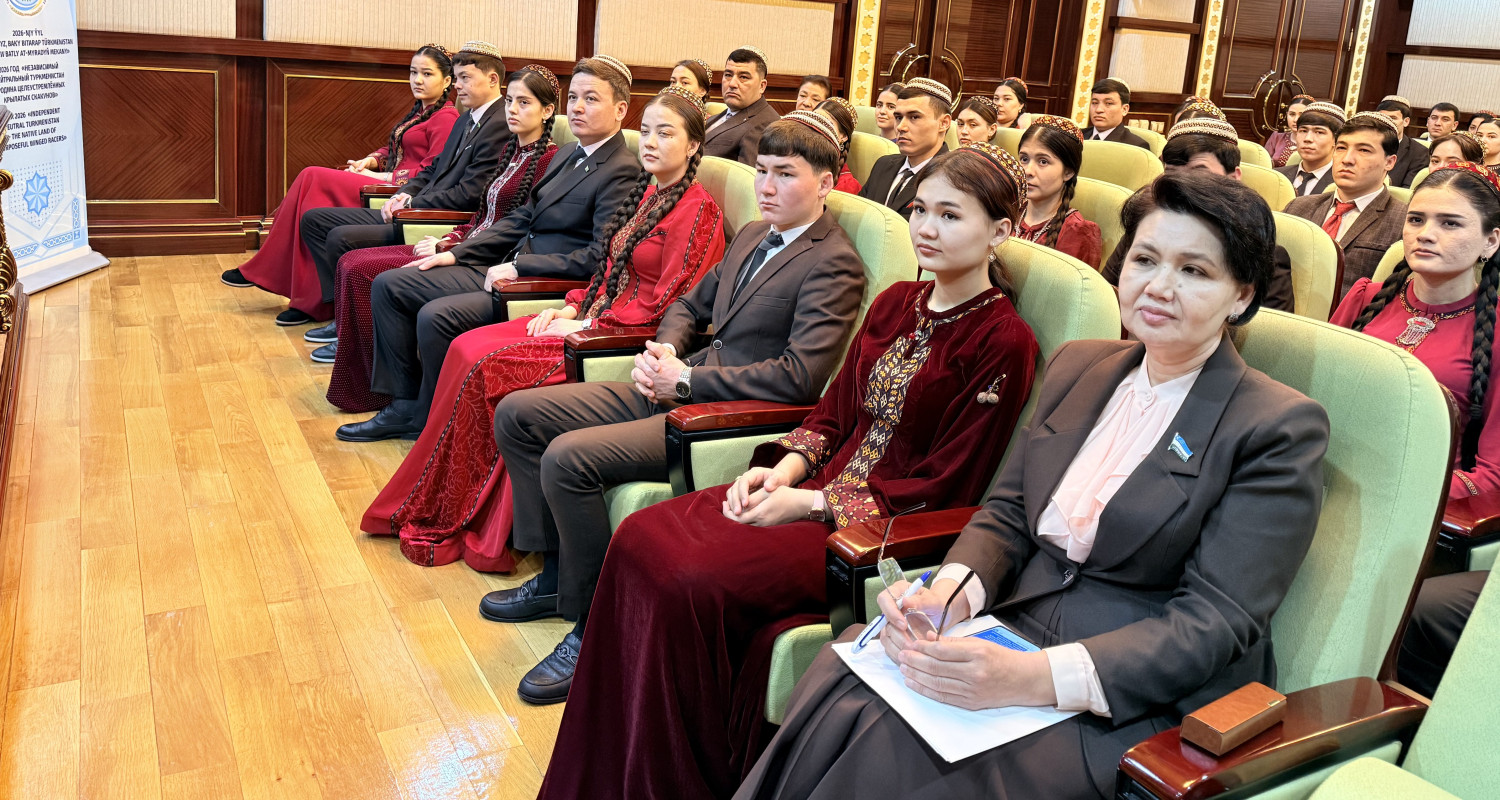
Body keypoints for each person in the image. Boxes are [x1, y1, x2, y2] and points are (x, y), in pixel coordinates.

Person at [734, 168, 1330, 800]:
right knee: (844, 679)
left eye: (1194, 271)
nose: (1159, 286)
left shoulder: (1275, 426)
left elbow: (1216, 621)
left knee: (912, 765)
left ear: (1241, 295)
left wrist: (1030, 678)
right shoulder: (1083, 366)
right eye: (1147, 259)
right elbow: (1008, 513)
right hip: (1009, 627)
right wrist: (947, 597)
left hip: (1128, 694)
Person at [538, 144, 1041, 800]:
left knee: (687, 576)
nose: (925, 228)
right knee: (640, 536)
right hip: (809, 492)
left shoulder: (1004, 341)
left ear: (1001, 230)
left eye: (951, 215)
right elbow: (833, 412)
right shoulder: (895, 304)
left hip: (872, 535)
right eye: (920, 210)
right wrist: (785, 471)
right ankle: (609, 769)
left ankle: (674, 780)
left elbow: (948, 482)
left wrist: (808, 507)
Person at [482, 118, 867, 705]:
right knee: (518, 413)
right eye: (761, 172)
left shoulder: (832, 261)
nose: (766, 187)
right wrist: (668, 348)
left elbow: (800, 376)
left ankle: (588, 625)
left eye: (785, 175)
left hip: (725, 415)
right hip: (679, 381)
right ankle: (556, 575)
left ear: (825, 183)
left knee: (567, 458)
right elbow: (691, 302)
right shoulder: (752, 236)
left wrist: (688, 381)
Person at [360, 86, 726, 570]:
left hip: (615, 344)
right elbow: (608, 270)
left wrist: (590, 325)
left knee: (488, 366)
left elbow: (674, 305)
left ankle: (473, 519)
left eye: (667, 133)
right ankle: (439, 494)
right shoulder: (648, 195)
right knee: (466, 347)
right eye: (649, 132)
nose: (652, 142)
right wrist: (573, 308)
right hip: (592, 322)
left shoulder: (698, 211)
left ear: (694, 146)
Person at [334, 55, 642, 442]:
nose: (578, 108)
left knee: (435, 316)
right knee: (391, 285)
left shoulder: (622, 169)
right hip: (503, 263)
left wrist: (520, 267)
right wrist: (457, 252)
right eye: (575, 97)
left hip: (540, 281)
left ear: (621, 110)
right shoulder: (568, 154)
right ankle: (404, 403)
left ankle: (426, 418)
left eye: (592, 99)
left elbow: (598, 256)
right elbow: (521, 217)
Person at [1331, 163, 1500, 701]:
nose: (1425, 233)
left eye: (1451, 223)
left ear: (1491, 241)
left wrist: (1393, 492)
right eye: (1417, 219)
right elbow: (1313, 404)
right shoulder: (1367, 297)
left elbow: (1492, 476)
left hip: (1418, 516)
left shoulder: (1495, 329)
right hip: (1325, 482)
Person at [319, 65, 561, 410]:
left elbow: (516, 228)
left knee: (383, 280)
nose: (511, 109)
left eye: (524, 103)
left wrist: (454, 247)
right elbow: (481, 214)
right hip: (467, 244)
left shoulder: (548, 160)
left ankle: (399, 402)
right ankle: (379, 388)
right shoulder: (511, 151)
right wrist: (451, 236)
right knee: (358, 263)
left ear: (547, 110)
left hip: (488, 261)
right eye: (509, 101)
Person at [263, 42, 513, 328]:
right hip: (416, 207)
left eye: (465, 78)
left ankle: (344, 325)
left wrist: (412, 204)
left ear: (493, 79)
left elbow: (469, 194)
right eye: (456, 78)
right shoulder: (468, 117)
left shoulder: (499, 123)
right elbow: (433, 168)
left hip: (436, 218)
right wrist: (405, 194)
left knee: (339, 236)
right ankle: (336, 310)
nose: (457, 86)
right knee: (315, 220)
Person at [221, 44, 460, 321]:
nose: (417, 80)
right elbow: (394, 150)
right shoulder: (420, 111)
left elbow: (428, 172)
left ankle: (285, 280)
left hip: (399, 193)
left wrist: (378, 176)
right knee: (309, 192)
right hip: (381, 182)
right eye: (413, 72)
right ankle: (302, 292)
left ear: (446, 81)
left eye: (427, 74)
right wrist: (369, 161)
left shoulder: (446, 118)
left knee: (312, 176)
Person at [1104, 115, 1296, 312]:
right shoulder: (1144, 232)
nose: (1183, 186)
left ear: (1233, 178)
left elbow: (1264, 334)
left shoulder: (1261, 254)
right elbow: (1108, 297)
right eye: (1172, 173)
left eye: (1199, 173)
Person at [1284, 112, 1408, 298]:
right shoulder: (1298, 208)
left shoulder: (1404, 220)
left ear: (1389, 162)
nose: (1347, 159)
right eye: (1341, 148)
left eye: (1364, 150)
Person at [1015, 115, 1102, 268]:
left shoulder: (1077, 233)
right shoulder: (1009, 212)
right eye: (1024, 159)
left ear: (1068, 172)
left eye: (1043, 161)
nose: (1027, 171)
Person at [859, 77, 952, 218]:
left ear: (943, 123)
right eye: (898, 117)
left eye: (914, 117)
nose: (901, 127)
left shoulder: (952, 179)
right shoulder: (883, 165)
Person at [705, 47, 782, 166]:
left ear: (762, 86)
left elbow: (746, 181)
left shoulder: (766, 125)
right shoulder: (718, 116)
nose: (732, 84)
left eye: (743, 77)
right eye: (728, 75)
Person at [1276, 100, 1345, 196]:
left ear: (1336, 139)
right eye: (1303, 131)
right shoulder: (1276, 177)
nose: (1308, 139)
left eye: (1319, 132)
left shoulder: (1342, 185)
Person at [1080, 77, 1149, 148]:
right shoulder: (1075, 136)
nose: (1098, 110)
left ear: (1124, 109)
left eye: (1108, 103)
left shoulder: (1135, 146)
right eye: (1094, 103)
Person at [1377, 95, 1427, 188]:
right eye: (1383, 117)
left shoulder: (1419, 153)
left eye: (1393, 118)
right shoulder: (1365, 146)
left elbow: (1406, 193)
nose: (1387, 122)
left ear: (1406, 121)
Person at [814, 99, 862, 193]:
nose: (816, 128)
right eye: (814, 120)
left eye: (826, 124)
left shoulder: (849, 186)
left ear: (843, 136)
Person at [1265, 94, 1312, 167]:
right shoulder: (1278, 136)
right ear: (1287, 115)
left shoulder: (1314, 141)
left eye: (1302, 115)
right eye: (1292, 114)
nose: (1296, 120)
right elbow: (1265, 163)